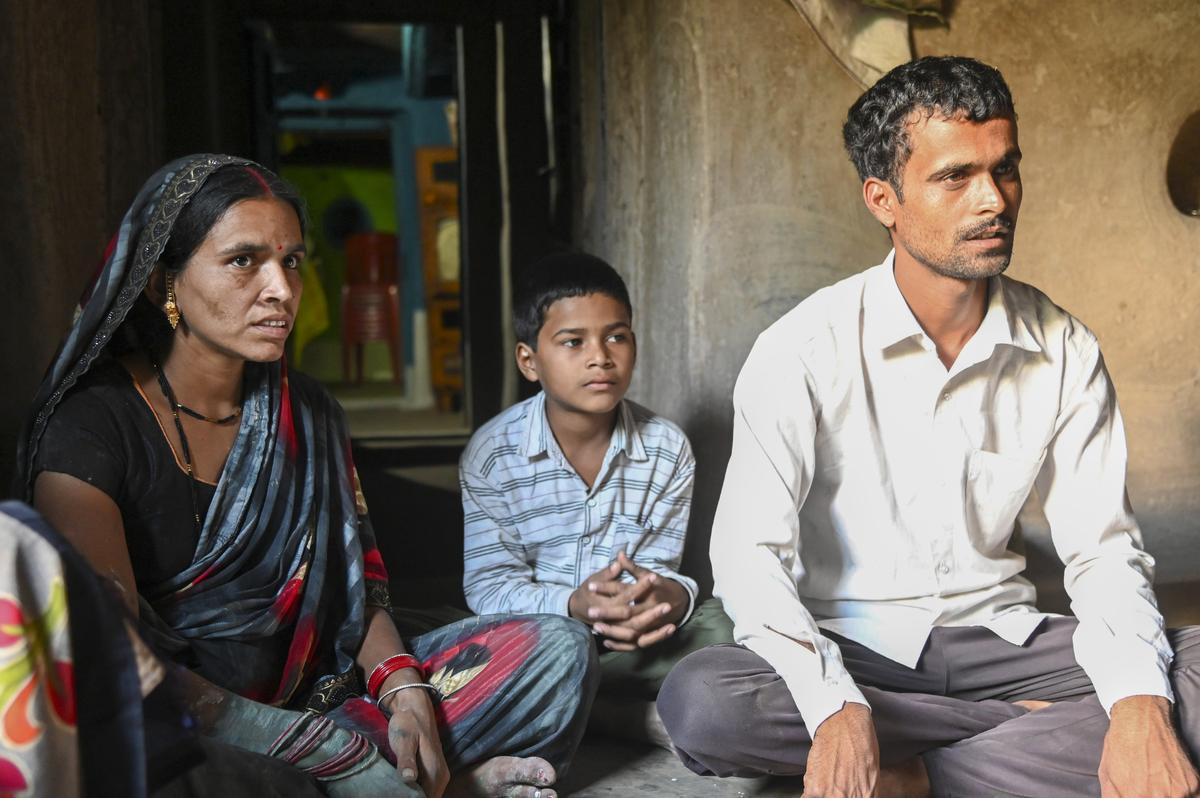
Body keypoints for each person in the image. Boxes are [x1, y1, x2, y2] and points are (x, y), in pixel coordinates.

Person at [656, 56, 1200, 797]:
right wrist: (834, 704)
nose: (993, 200)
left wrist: (1139, 705)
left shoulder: (1063, 347)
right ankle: (1021, 738)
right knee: (704, 702)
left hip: (1007, 638)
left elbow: (1103, 551)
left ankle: (912, 773)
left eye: (1005, 170)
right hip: (853, 644)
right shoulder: (801, 349)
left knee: (1182, 673)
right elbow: (749, 560)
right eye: (955, 177)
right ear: (883, 198)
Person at [17, 154, 597, 798]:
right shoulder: (92, 425)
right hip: (191, 720)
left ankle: (397, 777)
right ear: (163, 285)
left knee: (558, 652)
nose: (282, 289)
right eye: (244, 261)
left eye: (291, 260)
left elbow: (355, 594)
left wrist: (404, 695)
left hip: (322, 694)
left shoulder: (309, 411)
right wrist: (312, 748)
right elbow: (110, 652)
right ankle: (434, 785)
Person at [459, 253, 731, 744]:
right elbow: (489, 588)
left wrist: (665, 598)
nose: (600, 357)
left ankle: (578, 706)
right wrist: (573, 605)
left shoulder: (667, 448)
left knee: (729, 629)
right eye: (573, 342)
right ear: (529, 361)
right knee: (476, 649)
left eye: (616, 336)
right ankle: (613, 711)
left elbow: (658, 566)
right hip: (544, 635)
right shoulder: (493, 455)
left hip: (635, 641)